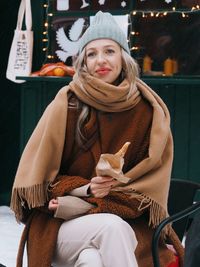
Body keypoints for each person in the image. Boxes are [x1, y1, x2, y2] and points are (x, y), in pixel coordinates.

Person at [11, 11, 184, 267]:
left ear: (124, 58)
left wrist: (92, 201)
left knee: (93, 260)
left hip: (130, 227)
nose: (100, 60)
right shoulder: (67, 104)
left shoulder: (149, 111)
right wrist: (87, 189)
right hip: (59, 227)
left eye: (109, 51)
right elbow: (37, 187)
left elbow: (147, 192)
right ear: (83, 62)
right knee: (111, 228)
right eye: (91, 54)